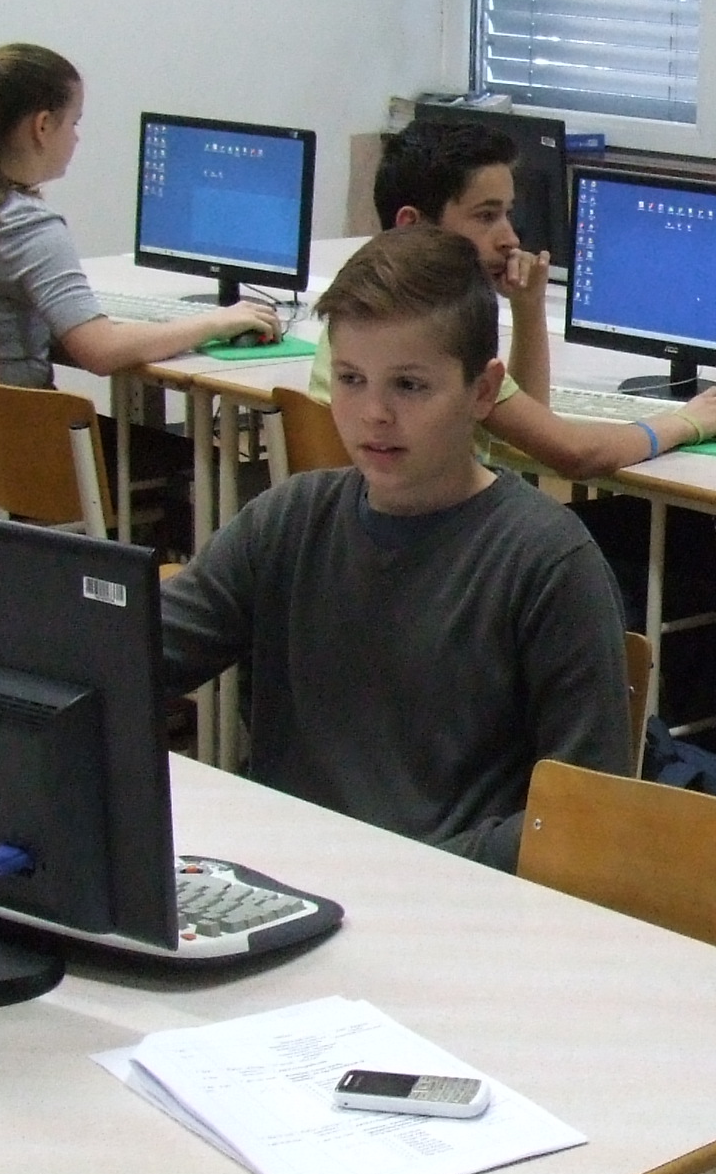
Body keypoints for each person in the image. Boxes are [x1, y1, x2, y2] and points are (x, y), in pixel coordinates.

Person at [159, 225, 629, 870]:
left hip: (450, 898)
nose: (374, 413)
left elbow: (587, 812)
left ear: (483, 391)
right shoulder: (289, 521)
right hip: (291, 876)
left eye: (408, 386)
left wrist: (397, 870)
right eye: (350, 379)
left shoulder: (546, 562)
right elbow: (131, 658)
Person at [333, 114, 716, 475]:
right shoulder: (419, 332)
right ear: (411, 225)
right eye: (486, 216)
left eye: (508, 214)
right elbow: (576, 454)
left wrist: (527, 306)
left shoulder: (366, 311)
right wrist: (684, 423)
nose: (510, 238)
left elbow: (527, 433)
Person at [0, 44, 277, 384]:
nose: (76, 137)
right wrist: (215, 322)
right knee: (175, 445)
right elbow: (100, 352)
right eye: (74, 123)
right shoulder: (25, 225)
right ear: (42, 126)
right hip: (12, 438)